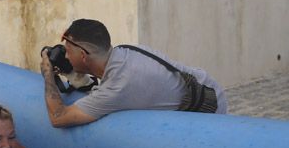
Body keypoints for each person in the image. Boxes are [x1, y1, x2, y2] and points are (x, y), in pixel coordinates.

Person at [40, 18, 228, 128]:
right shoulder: (125, 52)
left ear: (82, 55)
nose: (66, 56)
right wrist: (74, 75)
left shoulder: (118, 87)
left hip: (209, 111)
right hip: (207, 85)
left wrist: (48, 74)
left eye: (68, 51)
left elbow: (58, 117)